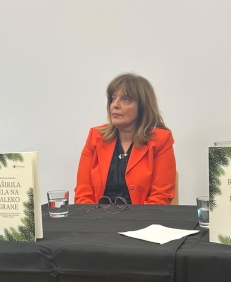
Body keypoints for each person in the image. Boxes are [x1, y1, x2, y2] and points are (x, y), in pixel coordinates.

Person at [75, 73, 176, 205]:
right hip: (98, 216)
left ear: (142, 107)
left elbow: (160, 198)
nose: (115, 105)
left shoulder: (161, 140)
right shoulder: (95, 137)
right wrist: (95, 217)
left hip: (143, 216)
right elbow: (83, 194)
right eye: (113, 98)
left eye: (126, 100)